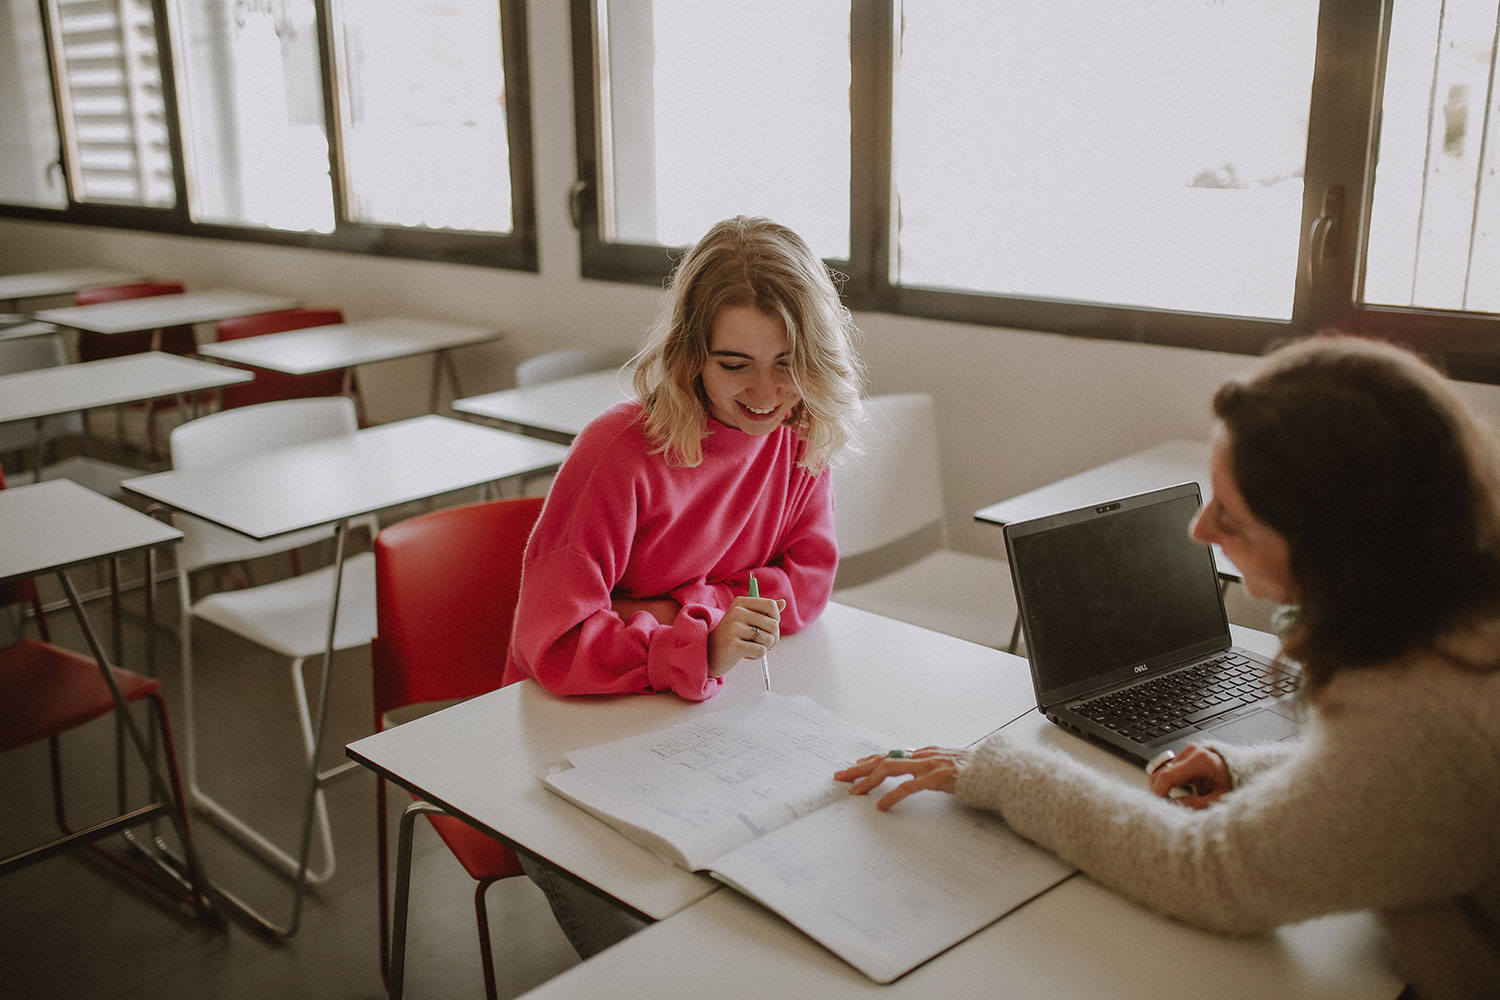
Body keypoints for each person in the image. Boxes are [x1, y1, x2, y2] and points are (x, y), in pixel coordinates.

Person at [835, 334, 1500, 1000]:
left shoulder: (1431, 713)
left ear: (1336, 546)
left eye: (1232, 519)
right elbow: (1370, 776)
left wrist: (1001, 770)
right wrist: (1247, 769)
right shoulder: (1451, 609)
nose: (1200, 531)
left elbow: (1206, 871)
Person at [507, 215, 865, 956]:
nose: (766, 393)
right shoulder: (619, 451)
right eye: (734, 364)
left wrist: (690, 608)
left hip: (713, 727)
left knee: (814, 888)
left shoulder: (801, 435)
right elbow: (556, 640)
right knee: (663, 947)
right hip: (569, 731)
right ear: (688, 359)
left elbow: (808, 581)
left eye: (787, 362)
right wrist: (697, 644)